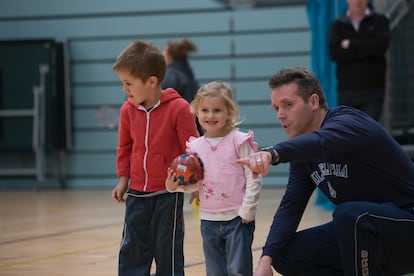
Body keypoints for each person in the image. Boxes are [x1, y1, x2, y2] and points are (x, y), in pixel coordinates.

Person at [237, 67, 414, 276]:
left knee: (350, 215)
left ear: (313, 102)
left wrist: (272, 153)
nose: (280, 115)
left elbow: (321, 142)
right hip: (368, 231)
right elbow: (291, 205)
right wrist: (266, 260)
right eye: (276, 108)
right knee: (286, 255)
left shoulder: (350, 122)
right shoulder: (303, 152)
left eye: (288, 105)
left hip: (406, 224)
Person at [111, 40, 199, 275]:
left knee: (167, 249)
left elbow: (193, 150)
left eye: (128, 83)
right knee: (132, 249)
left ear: (151, 82)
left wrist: (195, 185)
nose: (124, 90)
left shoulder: (179, 108)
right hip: (136, 194)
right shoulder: (127, 111)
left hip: (168, 195)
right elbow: (124, 147)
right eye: (123, 83)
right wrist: (123, 179)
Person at [165, 81, 263, 276]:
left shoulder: (239, 141)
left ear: (229, 112)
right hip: (208, 220)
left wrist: (248, 209)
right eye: (205, 110)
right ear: (196, 112)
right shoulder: (195, 147)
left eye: (217, 110)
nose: (210, 116)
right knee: (215, 272)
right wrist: (174, 187)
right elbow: (198, 184)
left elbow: (254, 177)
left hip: (238, 218)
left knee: (238, 270)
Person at [328, 0, 389, 122]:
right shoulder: (338, 25)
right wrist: (367, 47)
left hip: (373, 91)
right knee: (348, 132)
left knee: (368, 131)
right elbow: (335, 54)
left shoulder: (380, 21)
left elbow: (379, 47)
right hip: (347, 92)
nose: (358, 1)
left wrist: (350, 44)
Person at [162, 38, 203, 135]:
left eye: (163, 52)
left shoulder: (169, 77)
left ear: (169, 56)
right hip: (193, 131)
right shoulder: (189, 76)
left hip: (176, 133)